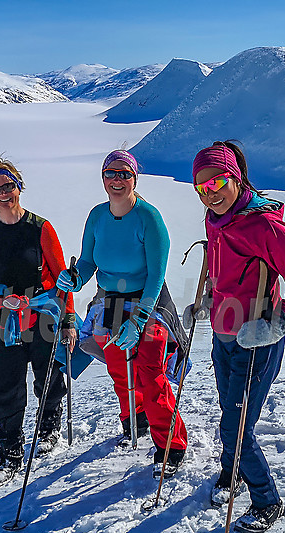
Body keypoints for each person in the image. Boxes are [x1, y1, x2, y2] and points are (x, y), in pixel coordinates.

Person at [190, 141, 285, 533]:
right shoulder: (215, 221)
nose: (211, 192)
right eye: (202, 187)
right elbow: (223, 271)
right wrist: (209, 300)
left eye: (218, 182)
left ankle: (266, 500)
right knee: (231, 413)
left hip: (257, 342)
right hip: (223, 335)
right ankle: (232, 473)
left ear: (236, 177)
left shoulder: (265, 226)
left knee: (237, 427)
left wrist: (277, 325)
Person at [57, 150, 189, 478]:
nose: (117, 180)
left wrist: (140, 319)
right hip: (110, 303)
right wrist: (75, 279)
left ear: (135, 179)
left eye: (124, 174)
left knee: (150, 372)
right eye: (110, 174)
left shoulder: (149, 218)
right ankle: (135, 419)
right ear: (102, 178)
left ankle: (171, 444)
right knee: (118, 368)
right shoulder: (97, 216)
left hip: (150, 304)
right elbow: (88, 261)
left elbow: (156, 277)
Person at [0, 155, 77, 489]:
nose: (2, 193)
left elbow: (61, 276)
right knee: (1, 383)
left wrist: (69, 317)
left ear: (19, 187)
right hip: (4, 316)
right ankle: (10, 450)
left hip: (41, 312)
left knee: (48, 374)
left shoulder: (40, 228)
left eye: (8, 186)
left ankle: (48, 426)